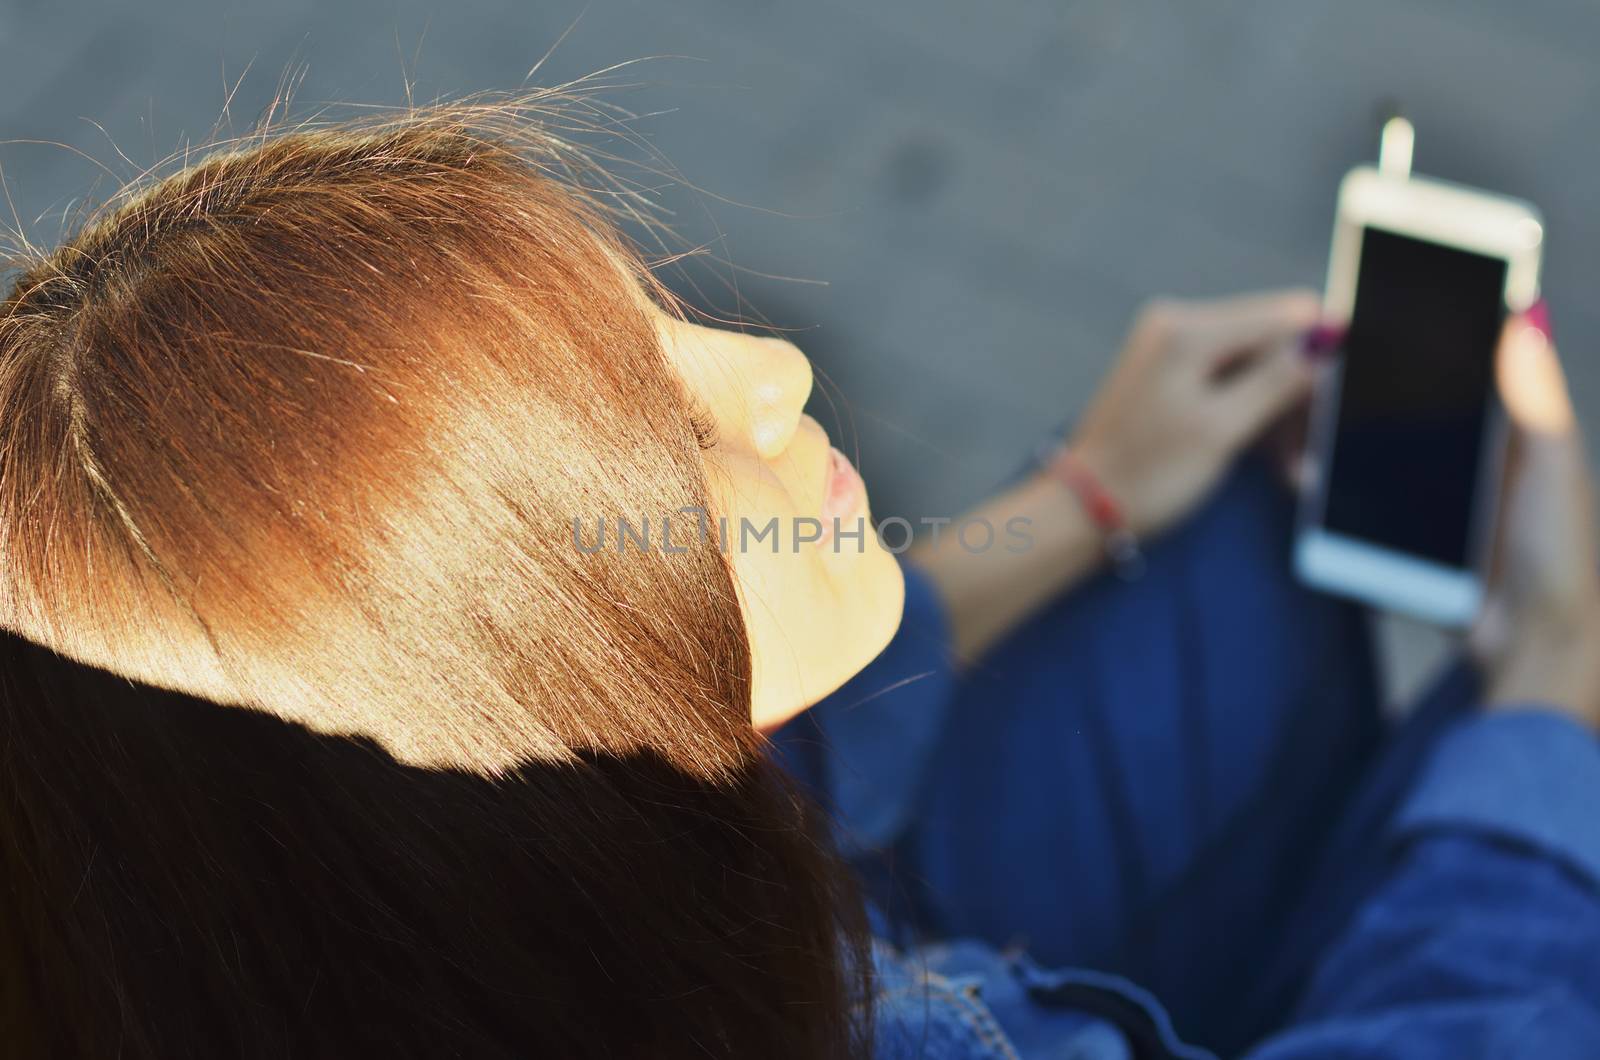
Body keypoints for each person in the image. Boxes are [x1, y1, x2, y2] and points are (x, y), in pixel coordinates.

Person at [0, 95, 1596, 1058]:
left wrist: (1080, 496)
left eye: (666, 324)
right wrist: (1554, 682)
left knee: (1219, 552)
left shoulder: (400, 930)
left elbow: (742, 739)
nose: (771, 366)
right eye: (659, 427)